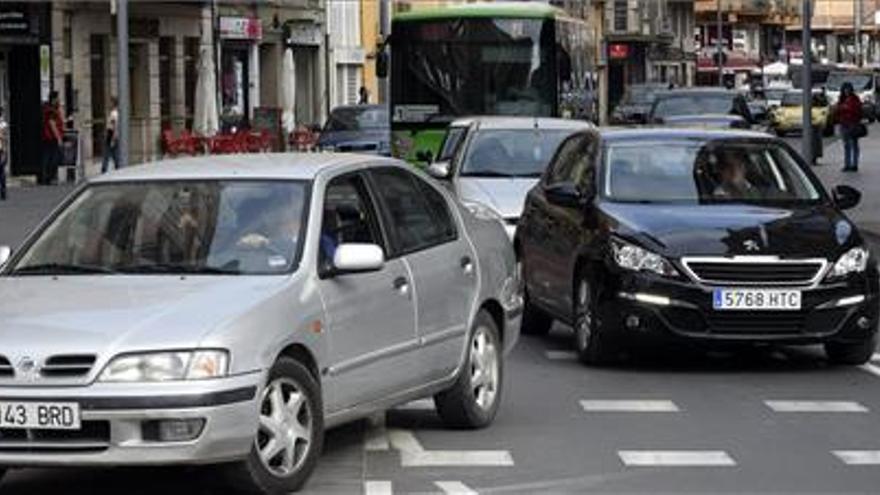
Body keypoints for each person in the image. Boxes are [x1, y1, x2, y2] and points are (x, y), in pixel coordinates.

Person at [837, 81, 864, 172]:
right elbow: (839, 109)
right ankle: (847, 164)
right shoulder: (842, 99)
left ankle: (854, 164)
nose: (846, 91)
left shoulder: (855, 99)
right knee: (846, 145)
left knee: (853, 144)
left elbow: (857, 110)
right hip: (844, 124)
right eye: (845, 89)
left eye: (848, 89)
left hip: (853, 124)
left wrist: (845, 108)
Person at [40, 91, 64, 185]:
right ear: (54, 99)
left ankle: (47, 177)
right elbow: (52, 124)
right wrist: (58, 138)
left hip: (48, 137)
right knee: (54, 158)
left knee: (48, 157)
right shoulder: (51, 110)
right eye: (58, 98)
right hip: (51, 137)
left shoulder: (50, 108)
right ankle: (48, 177)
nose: (59, 100)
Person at [101, 97, 119, 173]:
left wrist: (113, 137)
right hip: (112, 134)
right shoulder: (115, 113)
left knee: (107, 152)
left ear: (113, 103)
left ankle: (104, 169)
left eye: (110, 102)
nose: (109, 104)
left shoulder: (113, 113)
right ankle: (117, 166)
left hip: (111, 134)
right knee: (114, 153)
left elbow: (114, 125)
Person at [0, 106, 7, 201]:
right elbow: (4, 138)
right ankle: (3, 191)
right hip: (1, 149)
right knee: (1, 170)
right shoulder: (2, 124)